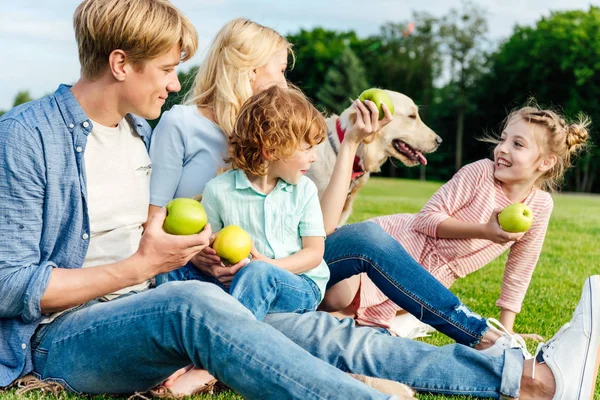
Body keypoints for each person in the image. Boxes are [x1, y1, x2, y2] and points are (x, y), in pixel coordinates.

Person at [143, 15, 599, 400]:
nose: (286, 82)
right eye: (279, 71)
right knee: (343, 336)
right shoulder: (190, 126)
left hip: (281, 269)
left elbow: (317, 236)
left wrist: (351, 150)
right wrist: (198, 248)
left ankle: (490, 342)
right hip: (222, 276)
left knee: (365, 242)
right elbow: (154, 225)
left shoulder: (282, 141)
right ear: (247, 73)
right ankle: (522, 377)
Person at [320, 104, 590, 336]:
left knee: (362, 317)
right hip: (395, 245)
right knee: (337, 297)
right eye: (503, 139)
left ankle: (336, 320)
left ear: (545, 163)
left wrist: (506, 332)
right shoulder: (480, 173)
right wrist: (484, 231)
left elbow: (520, 269)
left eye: (517, 144)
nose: (502, 149)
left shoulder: (540, 206)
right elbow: (426, 220)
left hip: (428, 278)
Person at [195, 85, 331, 319]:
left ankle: (230, 338)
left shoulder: (304, 190)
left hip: (299, 285)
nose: (314, 156)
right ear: (271, 149)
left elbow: (314, 253)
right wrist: (211, 264)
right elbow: (208, 249)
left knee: (258, 274)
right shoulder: (218, 190)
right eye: (307, 148)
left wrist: (266, 266)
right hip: (237, 282)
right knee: (175, 271)